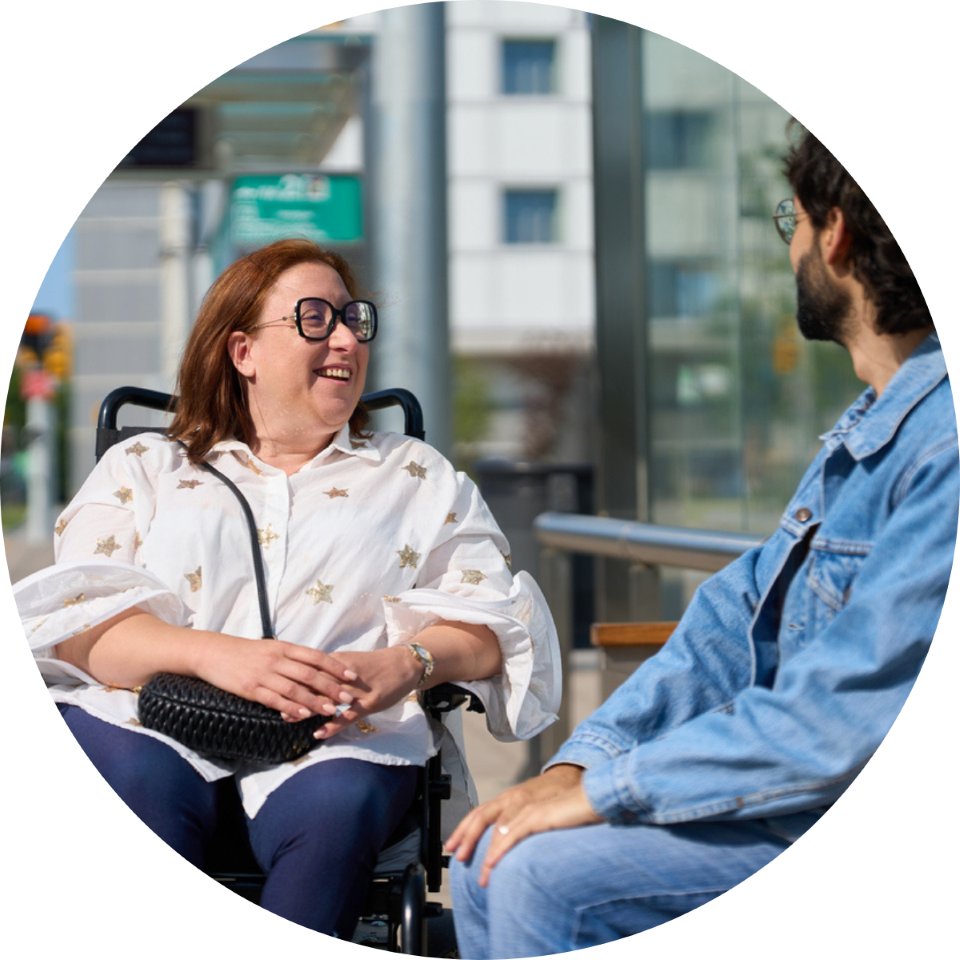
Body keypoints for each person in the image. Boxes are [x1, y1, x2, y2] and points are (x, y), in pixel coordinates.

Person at [447, 127, 960, 958]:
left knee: (536, 876)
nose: (788, 247)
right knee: (484, 859)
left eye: (788, 221)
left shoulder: (946, 442)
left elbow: (842, 717)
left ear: (835, 233)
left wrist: (614, 791)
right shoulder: (875, 424)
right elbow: (733, 619)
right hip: (801, 788)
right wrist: (582, 766)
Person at [12, 238, 561, 944]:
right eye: (313, 317)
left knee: (336, 807)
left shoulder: (417, 476)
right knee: (135, 793)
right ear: (242, 352)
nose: (343, 338)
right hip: (148, 714)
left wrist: (409, 664)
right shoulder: (143, 466)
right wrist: (218, 656)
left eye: (351, 319)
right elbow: (77, 626)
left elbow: (491, 624)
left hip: (340, 735)